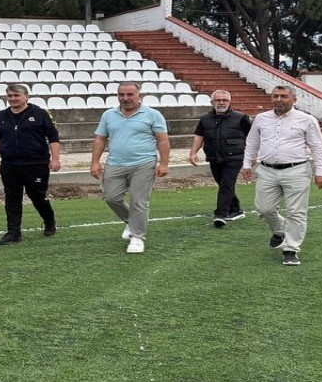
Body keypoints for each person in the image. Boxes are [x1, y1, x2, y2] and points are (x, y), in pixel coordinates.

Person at [240, 85, 322, 266]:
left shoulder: (307, 120)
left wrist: (320, 172)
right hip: (266, 170)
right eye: (275, 96)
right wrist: (246, 164)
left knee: (296, 211)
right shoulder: (261, 118)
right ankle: (280, 231)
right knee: (264, 209)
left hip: (297, 170)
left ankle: (291, 249)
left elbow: (318, 147)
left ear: (294, 100)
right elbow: (252, 143)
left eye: (283, 96)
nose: (279, 100)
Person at [90, 81, 170, 254]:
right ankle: (131, 222)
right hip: (114, 163)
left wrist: (164, 163)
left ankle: (137, 237)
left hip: (143, 163)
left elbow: (163, 140)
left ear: (139, 95)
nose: (125, 98)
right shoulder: (108, 115)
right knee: (111, 198)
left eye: (129, 94)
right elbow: (100, 138)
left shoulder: (153, 115)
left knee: (139, 201)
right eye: (121, 95)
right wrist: (95, 162)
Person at [0, 83, 61, 245]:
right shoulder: (1, 116)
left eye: (16, 95)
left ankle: (49, 221)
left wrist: (55, 159)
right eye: (10, 96)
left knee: (37, 196)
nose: (13, 99)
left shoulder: (40, 114)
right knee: (12, 197)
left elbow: (53, 137)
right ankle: (13, 232)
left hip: (36, 164)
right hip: (9, 164)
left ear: (26, 97)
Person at [188, 90, 253, 227]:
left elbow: (252, 137)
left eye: (224, 100)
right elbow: (199, 136)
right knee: (223, 184)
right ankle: (236, 210)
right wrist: (193, 153)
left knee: (226, 184)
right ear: (212, 102)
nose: (221, 103)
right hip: (214, 157)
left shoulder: (241, 118)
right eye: (218, 100)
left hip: (235, 157)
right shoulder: (205, 119)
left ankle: (220, 214)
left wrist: (253, 156)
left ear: (230, 102)